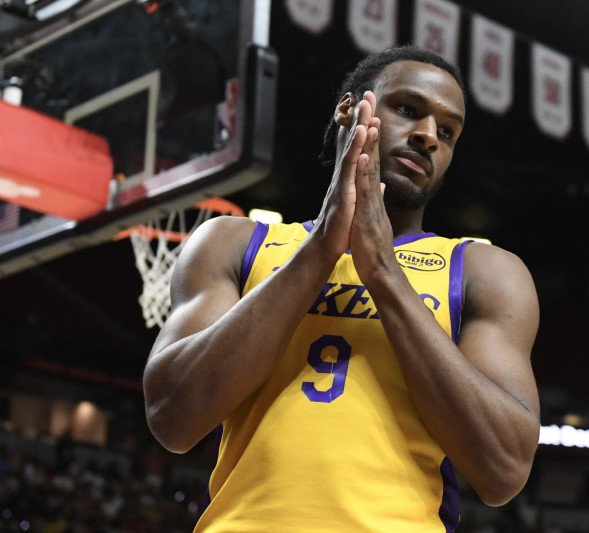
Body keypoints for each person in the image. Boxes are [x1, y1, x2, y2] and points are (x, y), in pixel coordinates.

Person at [143, 44, 541, 532]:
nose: (427, 136)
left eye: (447, 131)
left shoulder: (484, 270)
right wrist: (318, 254)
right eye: (407, 109)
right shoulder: (235, 242)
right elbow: (171, 419)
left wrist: (383, 273)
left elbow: (504, 470)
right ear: (349, 109)